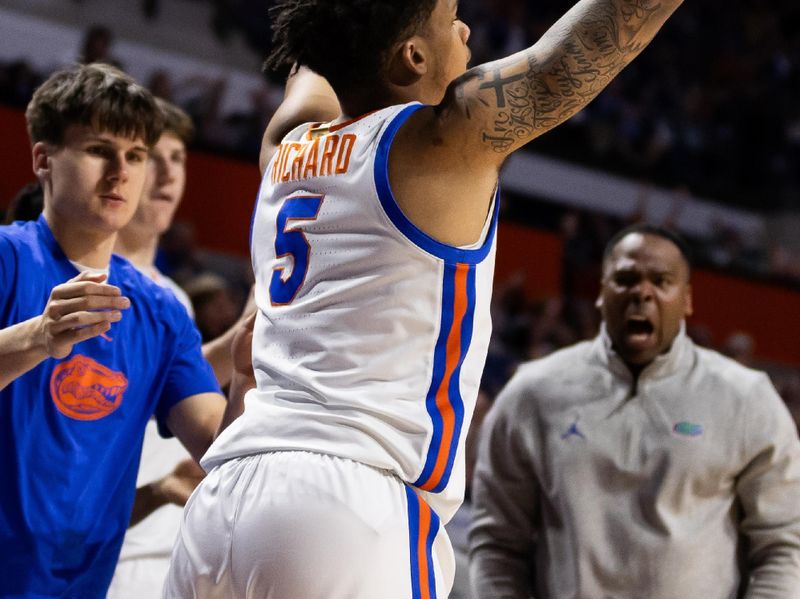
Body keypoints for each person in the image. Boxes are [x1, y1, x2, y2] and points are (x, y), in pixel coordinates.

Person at [166, 1, 685, 596]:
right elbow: (568, 61)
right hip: (350, 504)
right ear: (413, 56)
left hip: (223, 499)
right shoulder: (441, 141)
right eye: (450, 16)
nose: (465, 30)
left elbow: (323, 52)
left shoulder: (285, 145)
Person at [0, 63, 243, 597]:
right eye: (98, 150)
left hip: (82, 587)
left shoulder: (160, 309)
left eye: (135, 156)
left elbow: (216, 445)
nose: (121, 172)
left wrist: (251, 369)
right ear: (43, 158)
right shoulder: (7, 257)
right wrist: (37, 337)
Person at [469, 224, 800, 598]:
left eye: (661, 281)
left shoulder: (747, 399)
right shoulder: (532, 393)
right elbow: (498, 542)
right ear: (601, 292)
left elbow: (782, 547)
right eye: (626, 279)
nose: (642, 293)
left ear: (687, 299)